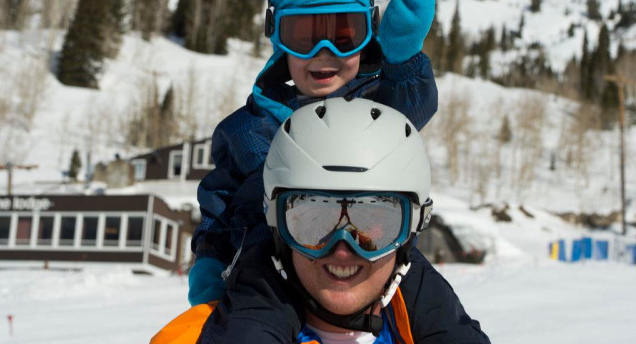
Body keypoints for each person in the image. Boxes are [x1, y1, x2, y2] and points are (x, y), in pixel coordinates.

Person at [189, 0, 438, 307]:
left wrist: (402, 60)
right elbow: (219, 202)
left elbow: (413, 105)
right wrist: (210, 259)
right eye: (304, 37)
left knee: (440, 316)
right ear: (278, 41)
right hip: (272, 275)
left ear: (366, 35)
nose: (323, 53)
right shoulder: (248, 129)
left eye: (343, 35)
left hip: (374, 263)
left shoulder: (377, 110)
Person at [152, 98, 489, 343]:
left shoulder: (435, 326)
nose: (343, 248)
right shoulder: (199, 337)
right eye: (314, 219)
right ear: (277, 226)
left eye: (373, 223)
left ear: (411, 232)